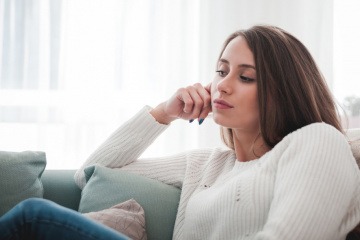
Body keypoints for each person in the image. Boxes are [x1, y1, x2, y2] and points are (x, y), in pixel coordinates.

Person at [1, 25, 360, 240]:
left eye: (245, 77)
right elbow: (88, 174)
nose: (222, 86)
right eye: (221, 71)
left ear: (286, 90)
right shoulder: (205, 166)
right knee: (34, 215)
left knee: (34, 216)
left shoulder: (318, 142)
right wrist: (164, 113)